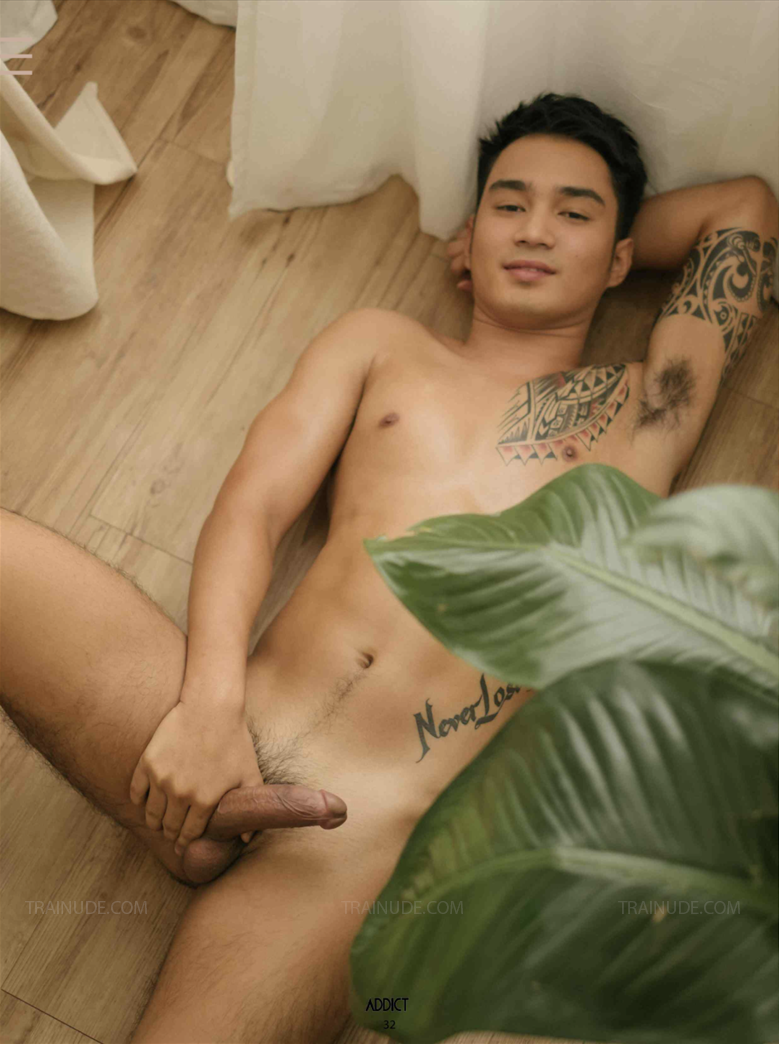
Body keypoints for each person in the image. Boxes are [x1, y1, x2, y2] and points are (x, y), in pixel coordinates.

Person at [1, 91, 776, 1044]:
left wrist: (577, 230)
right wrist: (208, 707)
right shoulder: (381, 346)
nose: (534, 229)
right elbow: (254, 508)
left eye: (573, 214)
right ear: (467, 231)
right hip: (216, 714)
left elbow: (744, 205)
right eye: (507, 204)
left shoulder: (648, 413)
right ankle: (186, 798)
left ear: (622, 258)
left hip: (359, 835)